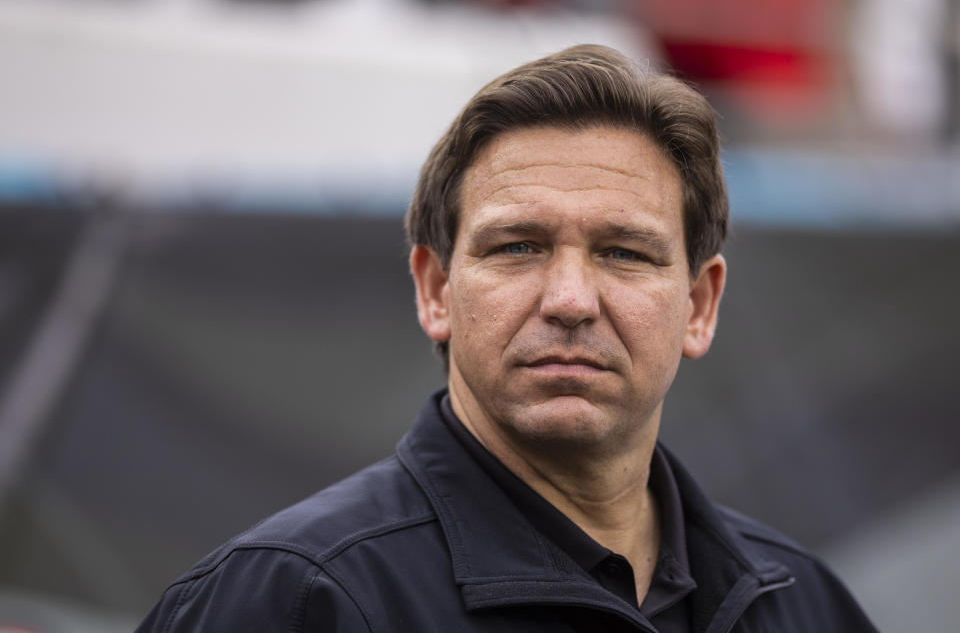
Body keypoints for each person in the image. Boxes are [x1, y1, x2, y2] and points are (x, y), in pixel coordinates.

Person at [136, 45, 876, 632]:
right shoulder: (291, 604)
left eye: (624, 252)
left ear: (698, 305)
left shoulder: (803, 606)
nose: (569, 301)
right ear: (434, 291)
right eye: (517, 246)